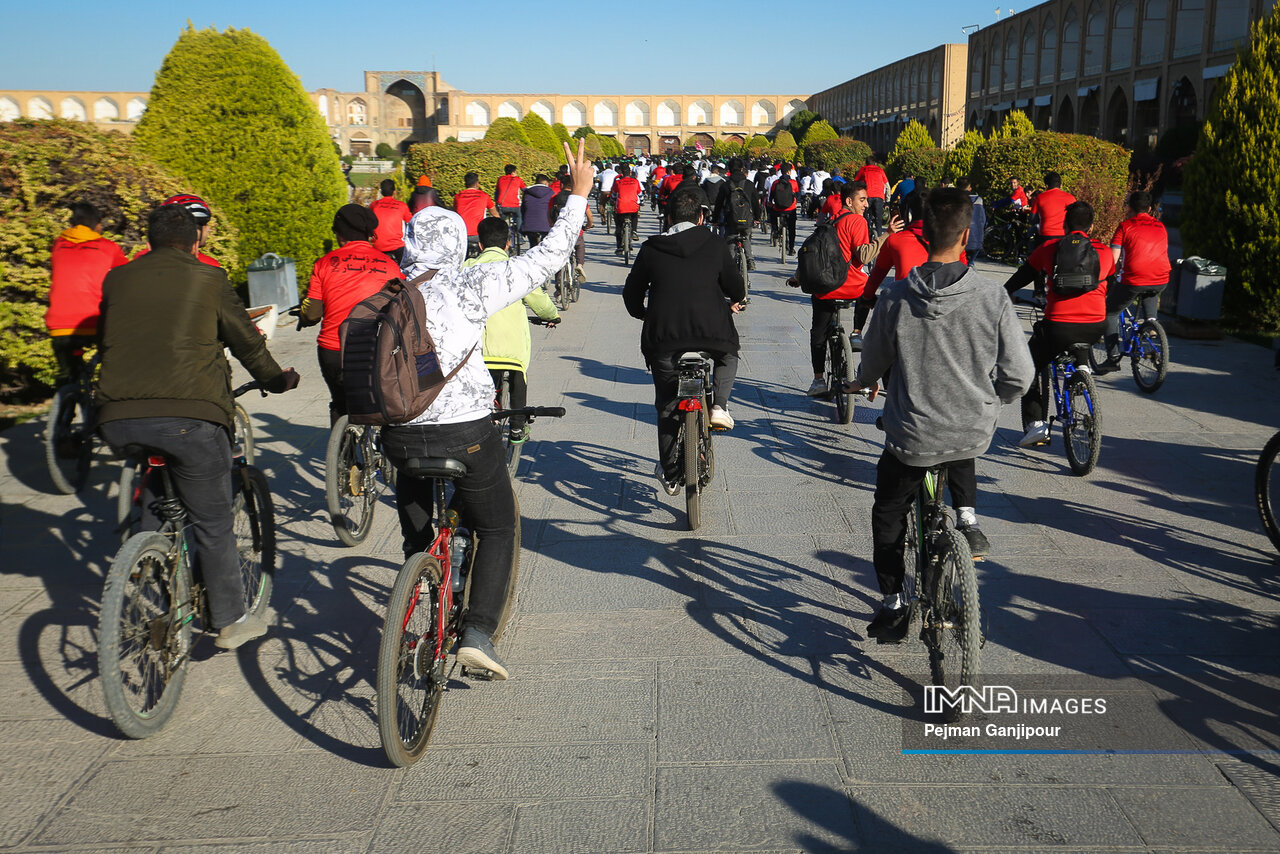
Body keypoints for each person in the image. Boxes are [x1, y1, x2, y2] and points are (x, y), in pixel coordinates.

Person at [388, 140, 594, 680]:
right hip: (467, 433)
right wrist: (576, 197)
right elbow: (547, 258)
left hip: (400, 433)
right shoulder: (470, 281)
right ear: (458, 238)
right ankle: (477, 630)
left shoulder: (388, 288)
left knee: (417, 517)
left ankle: (421, 574)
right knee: (499, 526)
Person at [96, 204, 300, 650]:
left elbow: (107, 339)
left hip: (116, 417)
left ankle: (147, 556)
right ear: (197, 240)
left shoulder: (118, 279)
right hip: (190, 417)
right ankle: (228, 619)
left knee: (158, 476)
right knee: (212, 519)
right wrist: (275, 379)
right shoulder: (209, 279)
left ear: (149, 241)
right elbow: (246, 340)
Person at [847, 188, 1034, 640]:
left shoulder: (894, 297)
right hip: (970, 429)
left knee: (888, 513)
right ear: (967, 234)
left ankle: (894, 603)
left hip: (911, 436)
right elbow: (1020, 375)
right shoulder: (992, 298)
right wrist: (994, 399)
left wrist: (862, 382)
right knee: (961, 439)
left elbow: (872, 363)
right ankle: (967, 520)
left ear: (921, 232)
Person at [623, 185, 746, 494]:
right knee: (728, 355)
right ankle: (718, 406)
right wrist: (736, 298)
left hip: (664, 336)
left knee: (666, 405)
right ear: (702, 217)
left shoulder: (652, 247)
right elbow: (735, 284)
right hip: (712, 333)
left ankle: (669, 470)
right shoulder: (715, 243)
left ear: (667, 218)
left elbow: (632, 293)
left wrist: (642, 313)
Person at [1004, 201, 1114, 447]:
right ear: (1092, 226)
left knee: (1030, 364)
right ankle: (1083, 371)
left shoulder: (1049, 248)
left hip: (1058, 325)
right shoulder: (1104, 252)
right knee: (1083, 337)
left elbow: (1024, 275)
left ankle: (1036, 426)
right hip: (1096, 325)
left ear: (1064, 225)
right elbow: (1111, 286)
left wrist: (1005, 292)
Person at [788, 181, 899, 394]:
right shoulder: (857, 221)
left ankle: (818, 381)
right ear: (849, 201)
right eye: (862, 199)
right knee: (868, 289)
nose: (866, 204)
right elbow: (864, 255)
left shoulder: (829, 221)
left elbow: (812, 251)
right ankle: (857, 333)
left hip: (825, 288)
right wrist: (887, 234)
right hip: (852, 288)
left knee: (818, 332)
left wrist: (798, 278)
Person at [298, 204, 395, 425]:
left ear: (340, 234)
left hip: (333, 351)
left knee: (340, 403)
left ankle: (341, 450)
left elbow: (312, 313)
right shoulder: (390, 266)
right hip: (375, 350)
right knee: (380, 401)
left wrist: (303, 318)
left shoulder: (324, 264)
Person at [472, 217, 561, 444]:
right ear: (508, 243)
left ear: (480, 245)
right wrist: (551, 316)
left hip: (478, 347)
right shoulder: (517, 269)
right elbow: (539, 300)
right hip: (512, 347)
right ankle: (517, 427)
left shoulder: (467, 268)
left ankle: (480, 422)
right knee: (517, 374)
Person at [45, 202, 128, 383]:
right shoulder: (109, 248)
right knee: (112, 367)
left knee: (66, 375)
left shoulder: (58, 245)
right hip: (95, 321)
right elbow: (126, 276)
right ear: (97, 224)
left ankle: (64, 400)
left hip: (59, 324)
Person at [1100, 191, 1170, 372]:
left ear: (1129, 208)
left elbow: (1113, 259)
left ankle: (1113, 358)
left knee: (1110, 312)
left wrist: (1106, 277)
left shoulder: (1124, 226)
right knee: (1150, 288)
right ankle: (1151, 325)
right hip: (1161, 277)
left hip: (1134, 279)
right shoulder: (1160, 227)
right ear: (1149, 209)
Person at [712, 157, 760, 271]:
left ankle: (730, 267)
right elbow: (755, 203)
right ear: (743, 169)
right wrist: (757, 218)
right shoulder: (749, 184)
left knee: (730, 239)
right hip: (746, 219)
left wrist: (715, 220)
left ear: (729, 169)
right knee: (746, 236)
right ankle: (750, 260)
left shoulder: (725, 185)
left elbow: (718, 204)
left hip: (731, 220)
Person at [551, 175, 594, 280]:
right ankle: (579, 265)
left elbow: (549, 214)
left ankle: (559, 286)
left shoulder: (555, 198)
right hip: (575, 231)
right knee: (580, 245)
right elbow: (589, 215)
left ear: (561, 185)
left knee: (559, 257)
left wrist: (553, 226)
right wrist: (588, 225)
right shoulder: (579, 199)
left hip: (559, 232)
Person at [452, 171, 498, 254]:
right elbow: (495, 214)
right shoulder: (484, 196)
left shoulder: (457, 196)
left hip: (461, 234)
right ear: (477, 183)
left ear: (465, 184)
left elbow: (455, 212)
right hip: (478, 234)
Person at [369, 179, 411, 265]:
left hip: (378, 246)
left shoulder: (374, 205)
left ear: (381, 192)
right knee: (405, 268)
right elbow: (410, 221)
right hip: (397, 246)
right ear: (394, 192)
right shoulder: (402, 206)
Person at [1029, 171, 1076, 244]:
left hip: (1045, 236)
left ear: (1046, 186)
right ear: (1061, 185)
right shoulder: (1071, 198)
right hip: (1064, 236)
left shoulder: (1039, 198)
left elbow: (1032, 219)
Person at [768, 162, 800, 255]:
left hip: (778, 209)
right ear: (789, 172)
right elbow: (797, 195)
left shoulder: (775, 183)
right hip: (791, 210)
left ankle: (775, 230)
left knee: (772, 213)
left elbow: (771, 197)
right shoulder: (794, 183)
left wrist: (770, 203)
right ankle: (791, 248)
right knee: (792, 229)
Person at [611, 164, 643, 255]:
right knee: (635, 216)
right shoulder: (635, 181)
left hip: (621, 207)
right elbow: (640, 195)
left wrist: (612, 201)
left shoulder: (618, 182)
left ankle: (620, 247)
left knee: (619, 226)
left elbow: (613, 195)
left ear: (621, 173)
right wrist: (642, 201)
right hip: (633, 207)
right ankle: (634, 231)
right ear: (630, 172)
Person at [854, 156, 890, 236]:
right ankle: (879, 236)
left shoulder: (863, 170)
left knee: (864, 215)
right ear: (875, 163)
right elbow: (887, 186)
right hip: (879, 196)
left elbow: (855, 182)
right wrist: (887, 200)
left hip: (867, 195)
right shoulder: (880, 170)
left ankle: (866, 233)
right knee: (878, 219)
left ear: (866, 163)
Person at [520, 174, 556, 248]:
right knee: (545, 244)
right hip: (546, 224)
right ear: (546, 183)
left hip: (529, 225)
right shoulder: (551, 192)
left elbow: (523, 209)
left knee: (533, 245)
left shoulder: (527, 192)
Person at [957, 178, 985, 266]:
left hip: (958, 240)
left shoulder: (955, 199)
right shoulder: (979, 200)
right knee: (970, 263)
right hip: (976, 240)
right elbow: (983, 220)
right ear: (970, 187)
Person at [494, 164, 527, 236]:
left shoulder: (500, 179)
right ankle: (520, 235)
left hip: (502, 206)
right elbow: (525, 190)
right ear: (513, 172)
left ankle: (502, 234)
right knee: (519, 216)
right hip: (515, 206)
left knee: (502, 220)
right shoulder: (518, 179)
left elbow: (497, 192)